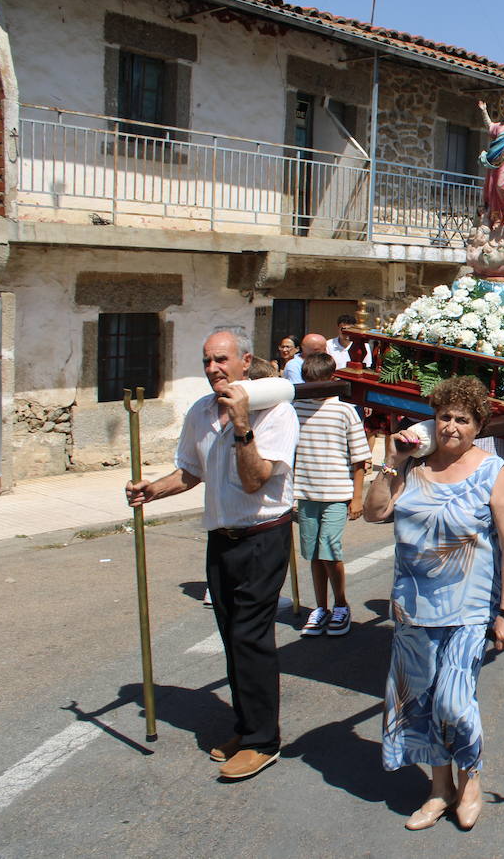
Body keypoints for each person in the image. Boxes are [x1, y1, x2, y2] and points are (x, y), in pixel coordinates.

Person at [124, 327, 298, 781]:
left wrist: (243, 424)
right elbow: (190, 473)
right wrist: (152, 490)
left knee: (250, 637)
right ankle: (246, 726)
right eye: (206, 361)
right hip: (221, 538)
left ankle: (264, 742)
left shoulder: (276, 412)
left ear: (245, 361)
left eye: (221, 359)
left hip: (263, 536)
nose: (213, 369)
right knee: (230, 634)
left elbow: (256, 479)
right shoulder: (201, 412)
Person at [363, 377, 504, 833]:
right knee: (422, 702)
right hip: (413, 607)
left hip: (469, 609)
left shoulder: (492, 472)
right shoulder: (413, 467)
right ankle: (439, 789)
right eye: (445, 417)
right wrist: (391, 463)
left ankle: (470, 779)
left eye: (463, 419)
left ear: (478, 426)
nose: (452, 426)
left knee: (454, 702)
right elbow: (374, 512)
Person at [292, 352, 371, 637]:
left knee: (330, 550)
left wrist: (357, 496)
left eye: (319, 383)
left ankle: (341, 604)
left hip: (337, 492)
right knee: (313, 552)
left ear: (331, 380)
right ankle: (320, 607)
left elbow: (359, 458)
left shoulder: (345, 411)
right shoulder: (297, 408)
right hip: (305, 492)